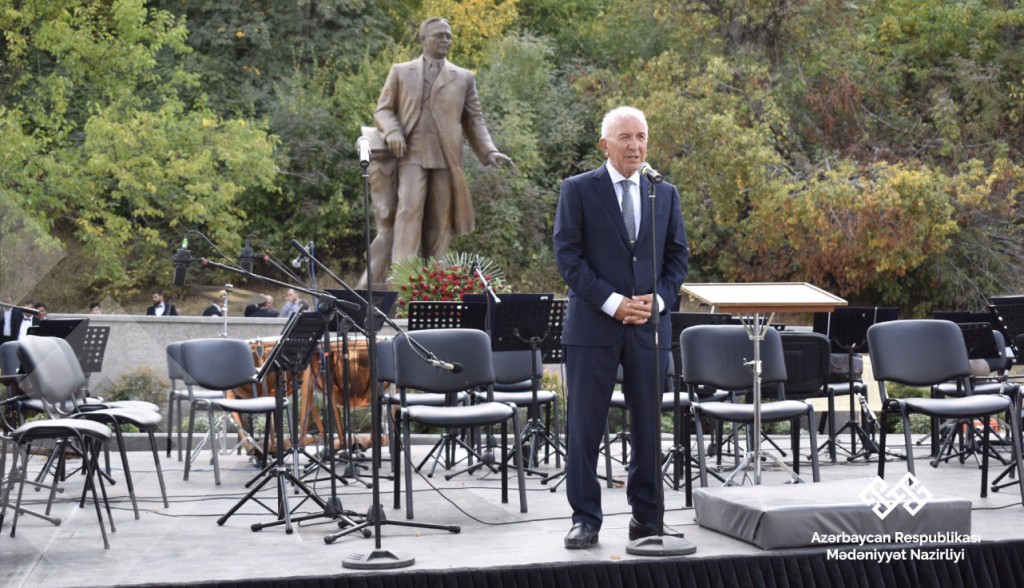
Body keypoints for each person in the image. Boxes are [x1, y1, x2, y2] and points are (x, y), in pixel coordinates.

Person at [553, 106, 690, 549]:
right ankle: (585, 519)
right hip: (594, 327)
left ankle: (647, 518)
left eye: (641, 136)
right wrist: (613, 304)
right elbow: (568, 257)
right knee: (585, 426)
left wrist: (659, 300)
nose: (635, 145)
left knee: (649, 425)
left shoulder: (662, 193)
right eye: (625, 137)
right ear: (605, 145)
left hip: (649, 327)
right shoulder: (578, 189)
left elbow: (678, 258)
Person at [359, 17, 512, 287]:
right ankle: (402, 276)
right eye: (439, 35)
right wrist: (392, 131)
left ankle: (433, 279)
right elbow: (383, 110)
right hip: (410, 154)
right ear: (424, 39)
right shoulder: (400, 71)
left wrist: (489, 152)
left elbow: (474, 119)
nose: (445, 40)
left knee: (440, 219)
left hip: (445, 157)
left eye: (448, 36)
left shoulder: (463, 77)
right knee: (408, 209)